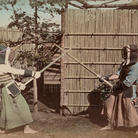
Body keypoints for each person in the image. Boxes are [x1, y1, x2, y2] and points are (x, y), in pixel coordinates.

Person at [0, 45, 41, 134]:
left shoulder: (4, 65)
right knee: (23, 106)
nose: (10, 56)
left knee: (7, 108)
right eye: (8, 55)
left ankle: (3, 128)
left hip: (7, 88)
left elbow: (9, 77)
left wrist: (18, 84)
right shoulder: (2, 66)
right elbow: (17, 71)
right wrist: (33, 73)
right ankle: (26, 129)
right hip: (9, 88)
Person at [99, 44, 138, 135]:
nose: (123, 54)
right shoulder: (124, 64)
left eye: (125, 52)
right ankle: (110, 125)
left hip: (129, 89)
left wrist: (115, 87)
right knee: (110, 102)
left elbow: (128, 82)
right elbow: (118, 75)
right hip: (120, 88)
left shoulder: (136, 66)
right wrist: (106, 78)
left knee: (128, 107)